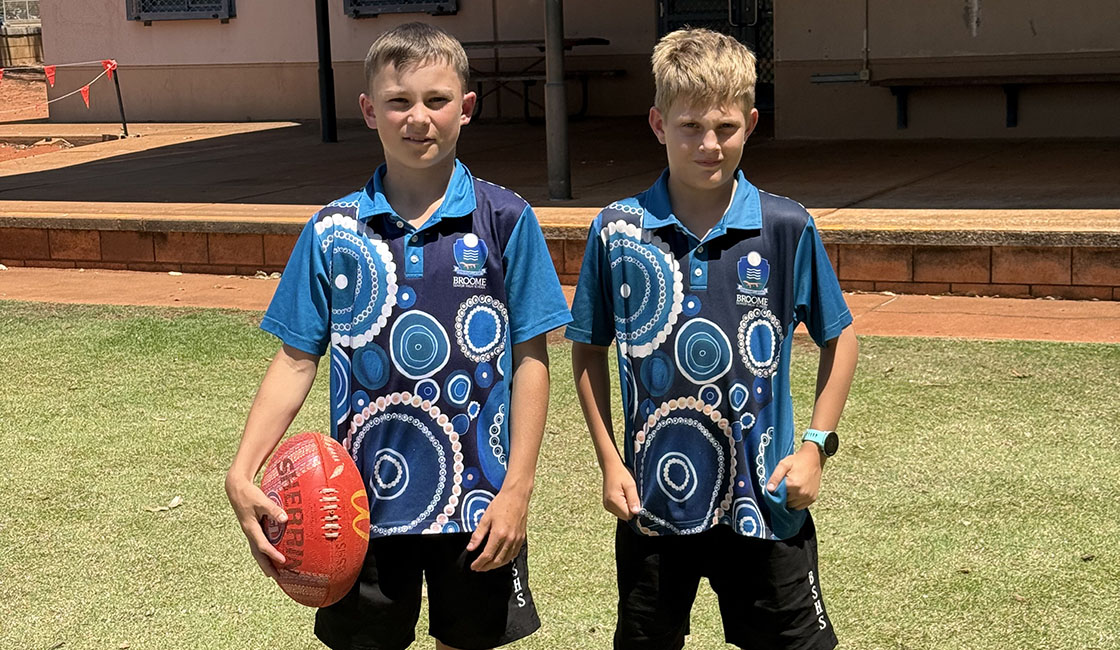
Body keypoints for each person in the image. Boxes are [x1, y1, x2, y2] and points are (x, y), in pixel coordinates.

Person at [225, 22, 571, 650]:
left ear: (466, 107)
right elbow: (296, 359)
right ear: (369, 110)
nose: (419, 118)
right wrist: (242, 469)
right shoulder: (332, 231)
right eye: (399, 101)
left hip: (478, 504)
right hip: (356, 510)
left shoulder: (506, 219)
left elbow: (531, 360)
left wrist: (517, 489)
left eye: (437, 100)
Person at [566, 28, 859, 650]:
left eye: (725, 127)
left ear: (750, 124)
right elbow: (588, 348)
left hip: (764, 502)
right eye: (690, 126)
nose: (708, 144)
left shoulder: (786, 226)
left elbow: (841, 338)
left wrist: (814, 447)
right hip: (652, 502)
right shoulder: (617, 231)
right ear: (658, 124)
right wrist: (610, 460)